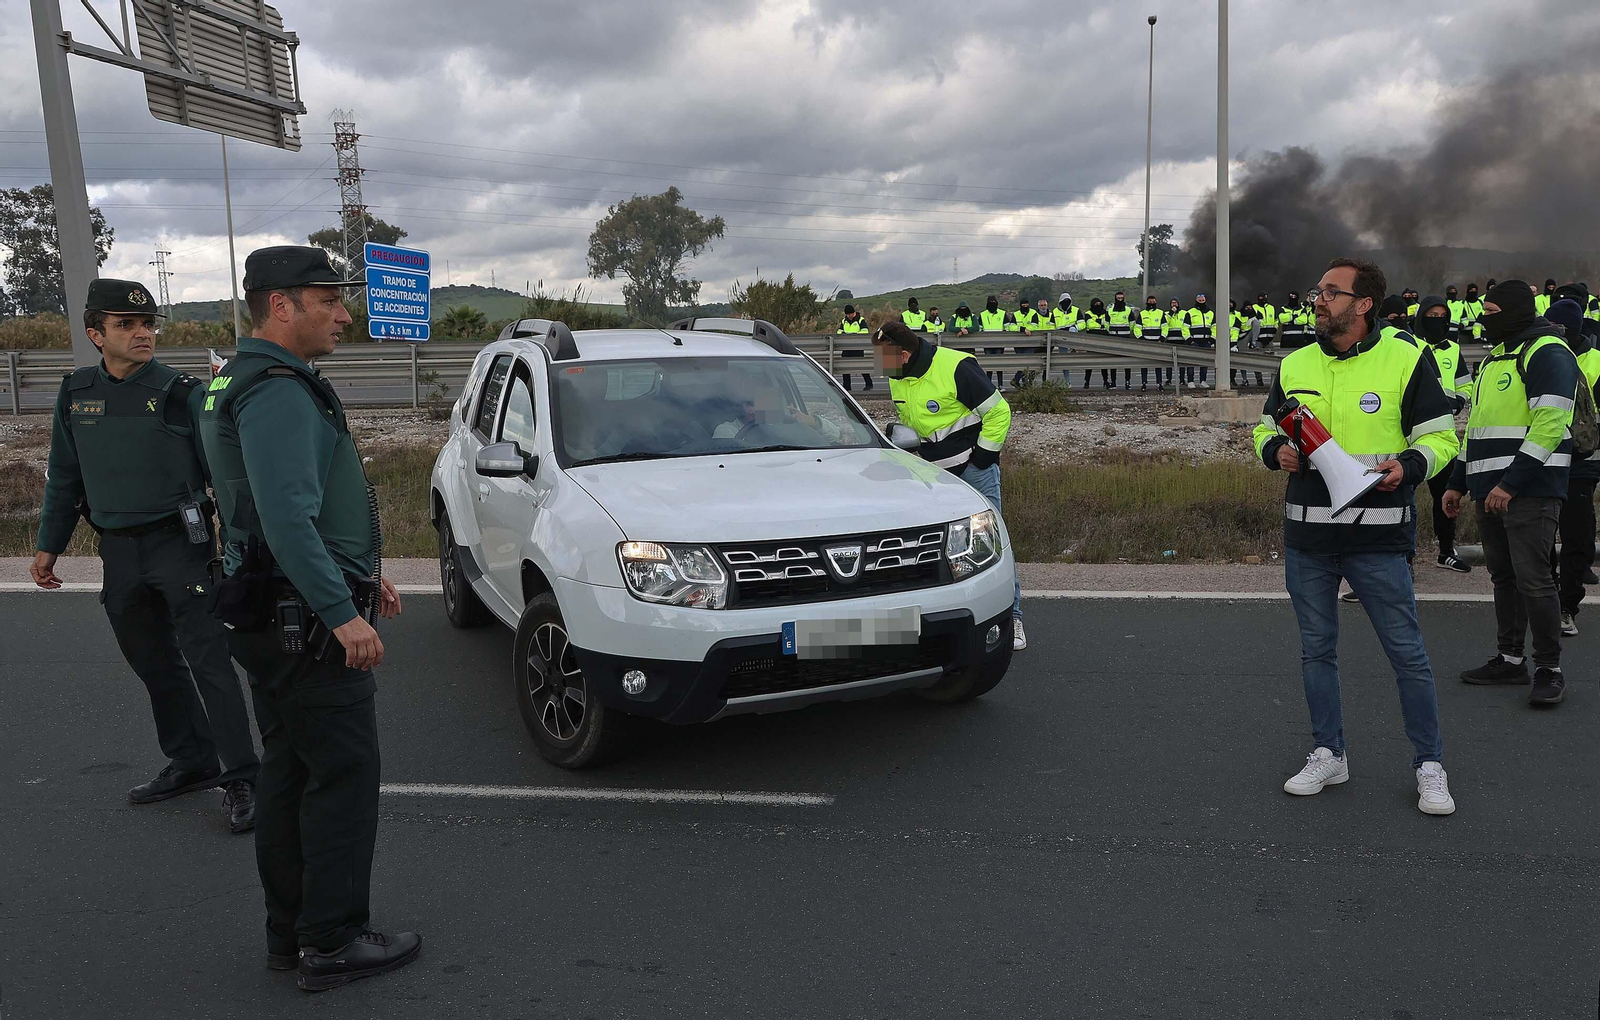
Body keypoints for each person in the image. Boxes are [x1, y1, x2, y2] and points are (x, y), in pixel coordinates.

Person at [198, 246, 419, 990]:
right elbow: (287, 518)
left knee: (292, 773)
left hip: (275, 608)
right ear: (281, 306)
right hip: (304, 622)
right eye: (329, 300)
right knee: (343, 775)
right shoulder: (278, 391)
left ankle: (291, 936)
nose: (345, 314)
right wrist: (341, 611)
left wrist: (362, 573)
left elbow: (276, 508)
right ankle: (332, 941)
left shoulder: (240, 377)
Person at [32, 278, 259, 832]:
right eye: (126, 324)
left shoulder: (182, 393)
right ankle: (191, 760)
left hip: (181, 546)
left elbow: (224, 475)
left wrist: (243, 548)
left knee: (209, 663)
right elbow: (65, 475)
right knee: (153, 663)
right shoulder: (76, 392)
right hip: (119, 552)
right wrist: (49, 547)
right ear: (95, 334)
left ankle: (242, 777)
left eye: (147, 324)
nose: (142, 333)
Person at [1254, 257, 1460, 815]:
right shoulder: (1295, 362)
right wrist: (1274, 451)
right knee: (1316, 651)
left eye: (1331, 292)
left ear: (1363, 304)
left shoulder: (1406, 357)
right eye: (1318, 291)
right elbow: (1263, 427)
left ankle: (1429, 765)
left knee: (1407, 655)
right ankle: (1329, 753)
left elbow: (1442, 439)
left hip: (1378, 540)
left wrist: (1409, 466)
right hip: (1308, 539)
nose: (1318, 300)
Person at [1443, 279, 1579, 706]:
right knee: (1504, 578)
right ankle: (1510, 659)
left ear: (1517, 311)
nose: (1484, 320)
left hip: (1529, 490)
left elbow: (1550, 424)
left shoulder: (1548, 352)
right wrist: (1457, 482)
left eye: (1492, 313)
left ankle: (1549, 669)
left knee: (1535, 579)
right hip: (1489, 490)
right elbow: (1476, 428)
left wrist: (1511, 483)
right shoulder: (1494, 358)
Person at [871, 320, 1024, 650]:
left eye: (883, 357)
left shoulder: (956, 367)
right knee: (939, 547)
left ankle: (1012, 617)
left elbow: (999, 413)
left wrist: (981, 459)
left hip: (973, 473)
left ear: (905, 354)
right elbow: (912, 427)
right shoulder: (898, 377)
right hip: (932, 478)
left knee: (990, 544)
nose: (879, 365)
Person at [1546, 292, 1598, 636]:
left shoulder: (1596, 361)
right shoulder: (1542, 355)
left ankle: (1568, 606)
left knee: (1577, 536)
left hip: (1583, 461)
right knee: (1542, 535)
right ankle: (1547, 599)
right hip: (1545, 457)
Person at [1412, 295, 1474, 572]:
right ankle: (1404, 557)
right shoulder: (1409, 345)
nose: (1437, 322)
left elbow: (1465, 384)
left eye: (1442, 317)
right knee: (1404, 497)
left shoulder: (1453, 349)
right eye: (1431, 316)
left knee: (1445, 494)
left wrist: (1458, 401)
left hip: (1443, 434)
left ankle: (1446, 551)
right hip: (1412, 434)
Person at [715, 369, 842, 443]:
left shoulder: (787, 425)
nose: (774, 405)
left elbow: (836, 436)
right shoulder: (727, 431)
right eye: (767, 399)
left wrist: (812, 422)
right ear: (749, 408)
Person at [836, 304, 872, 391]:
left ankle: (869, 384)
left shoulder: (860, 320)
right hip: (846, 347)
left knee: (861, 366)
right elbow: (839, 331)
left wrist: (855, 335)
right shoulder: (844, 321)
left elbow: (865, 331)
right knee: (845, 367)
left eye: (850, 314)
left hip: (857, 347)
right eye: (847, 314)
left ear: (854, 313)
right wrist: (843, 334)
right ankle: (847, 386)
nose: (849, 316)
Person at [1183, 293, 1215, 390]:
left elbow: (1214, 327)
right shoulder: (1190, 312)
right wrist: (1189, 339)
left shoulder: (1210, 313)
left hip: (1206, 341)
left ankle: (1203, 381)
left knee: (1205, 362)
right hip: (1194, 341)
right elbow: (1185, 328)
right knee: (1191, 362)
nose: (1201, 302)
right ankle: (1190, 381)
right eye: (1199, 300)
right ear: (1196, 301)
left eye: (1203, 300)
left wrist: (1212, 339)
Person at [1105, 290, 1136, 388]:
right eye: (1118, 298)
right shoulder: (1110, 310)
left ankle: (1127, 382)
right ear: (1115, 298)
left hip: (1125, 338)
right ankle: (1113, 382)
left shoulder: (1128, 310)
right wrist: (1111, 331)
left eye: (1121, 298)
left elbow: (1132, 323)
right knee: (1113, 362)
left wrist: (1126, 331)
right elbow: (1106, 323)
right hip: (1113, 339)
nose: (1120, 299)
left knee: (1127, 361)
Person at [1136, 294, 1167, 389]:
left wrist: (1162, 338)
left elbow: (1165, 327)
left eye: (1153, 302)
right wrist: (1141, 338)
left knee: (1158, 364)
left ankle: (1159, 383)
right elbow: (1137, 328)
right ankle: (1144, 383)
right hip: (1145, 343)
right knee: (1144, 364)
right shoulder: (1142, 313)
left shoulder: (1160, 313)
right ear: (1147, 302)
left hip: (1157, 342)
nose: (1152, 303)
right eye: (1150, 302)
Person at [978, 295, 1010, 388]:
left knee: (999, 364)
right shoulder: (982, 315)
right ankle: (989, 385)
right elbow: (979, 329)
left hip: (999, 343)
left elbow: (1007, 327)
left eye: (994, 303)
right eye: (990, 303)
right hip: (987, 343)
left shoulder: (1002, 314)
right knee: (989, 365)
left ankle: (1000, 384)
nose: (992, 304)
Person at [1080, 298, 1111, 389]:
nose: (1098, 305)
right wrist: (1101, 324)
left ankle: (1105, 381)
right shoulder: (1088, 313)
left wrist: (1097, 323)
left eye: (1099, 303)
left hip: (1104, 340)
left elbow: (1108, 324)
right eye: (1096, 304)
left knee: (1103, 363)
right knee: (1090, 362)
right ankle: (1087, 381)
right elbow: (1090, 325)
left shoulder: (1106, 313)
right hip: (1091, 340)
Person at [1162, 297, 1191, 387]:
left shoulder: (1184, 313)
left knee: (1182, 361)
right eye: (1172, 303)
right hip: (1170, 340)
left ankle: (1182, 379)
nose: (1174, 304)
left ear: (1178, 303)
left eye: (1175, 303)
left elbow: (1186, 326)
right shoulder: (1166, 314)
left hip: (1181, 340)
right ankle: (1169, 379)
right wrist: (1171, 313)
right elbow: (1165, 323)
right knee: (1169, 362)